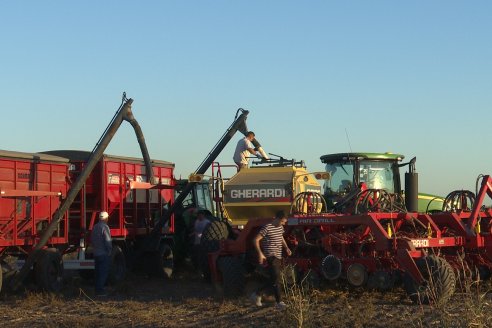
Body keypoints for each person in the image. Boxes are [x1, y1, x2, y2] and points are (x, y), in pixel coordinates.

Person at [251, 210, 292, 310]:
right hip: (270, 256)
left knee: (274, 279)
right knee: (277, 279)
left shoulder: (280, 227)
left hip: (278, 256)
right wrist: (260, 254)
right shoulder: (267, 228)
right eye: (282, 221)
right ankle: (279, 303)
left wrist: (286, 247)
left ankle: (256, 294)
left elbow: (281, 237)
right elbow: (255, 240)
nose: (284, 223)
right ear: (277, 219)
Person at [91, 211, 112, 296]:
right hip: (103, 253)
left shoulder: (95, 227)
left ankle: (97, 289)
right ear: (106, 218)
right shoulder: (105, 227)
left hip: (96, 252)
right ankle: (100, 291)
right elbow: (107, 240)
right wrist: (109, 250)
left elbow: (92, 239)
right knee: (103, 272)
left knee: (97, 272)